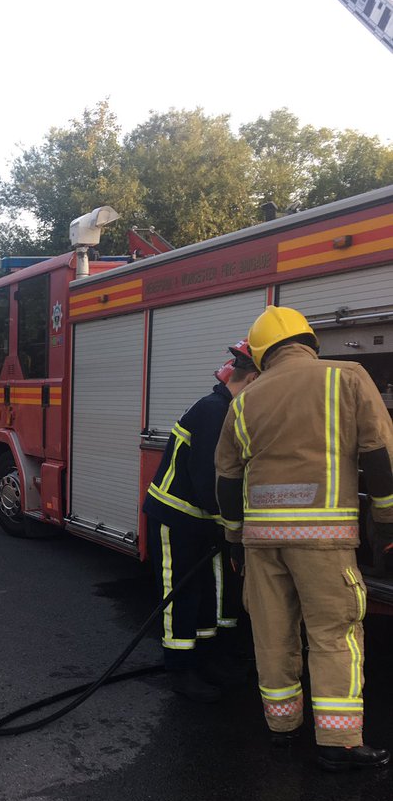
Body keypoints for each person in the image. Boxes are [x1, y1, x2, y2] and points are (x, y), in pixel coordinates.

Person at [215, 306, 393, 771]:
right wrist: (388, 523)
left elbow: (228, 479)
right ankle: (338, 743)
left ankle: (282, 728)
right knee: (334, 633)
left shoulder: (244, 401)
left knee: (272, 634)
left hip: (260, 542)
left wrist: (235, 539)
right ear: (308, 341)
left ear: (260, 354)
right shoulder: (347, 377)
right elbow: (378, 456)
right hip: (324, 539)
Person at [143, 342, 258, 701]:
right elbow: (210, 480)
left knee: (207, 591)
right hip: (176, 516)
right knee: (180, 592)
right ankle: (179, 669)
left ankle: (206, 659)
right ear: (251, 378)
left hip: (202, 520)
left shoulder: (227, 409)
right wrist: (233, 527)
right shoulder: (214, 413)